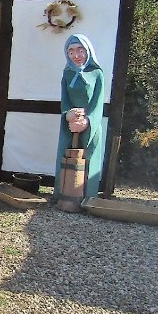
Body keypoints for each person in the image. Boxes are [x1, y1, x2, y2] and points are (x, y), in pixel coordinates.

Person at [55, 33, 105, 200]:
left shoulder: (97, 73)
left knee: (88, 158)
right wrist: (67, 115)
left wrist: (87, 122)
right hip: (70, 124)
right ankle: (63, 194)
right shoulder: (67, 74)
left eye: (80, 50)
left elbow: (98, 104)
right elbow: (65, 101)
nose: (76, 56)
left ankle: (87, 198)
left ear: (87, 50)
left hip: (90, 125)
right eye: (71, 51)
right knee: (65, 154)